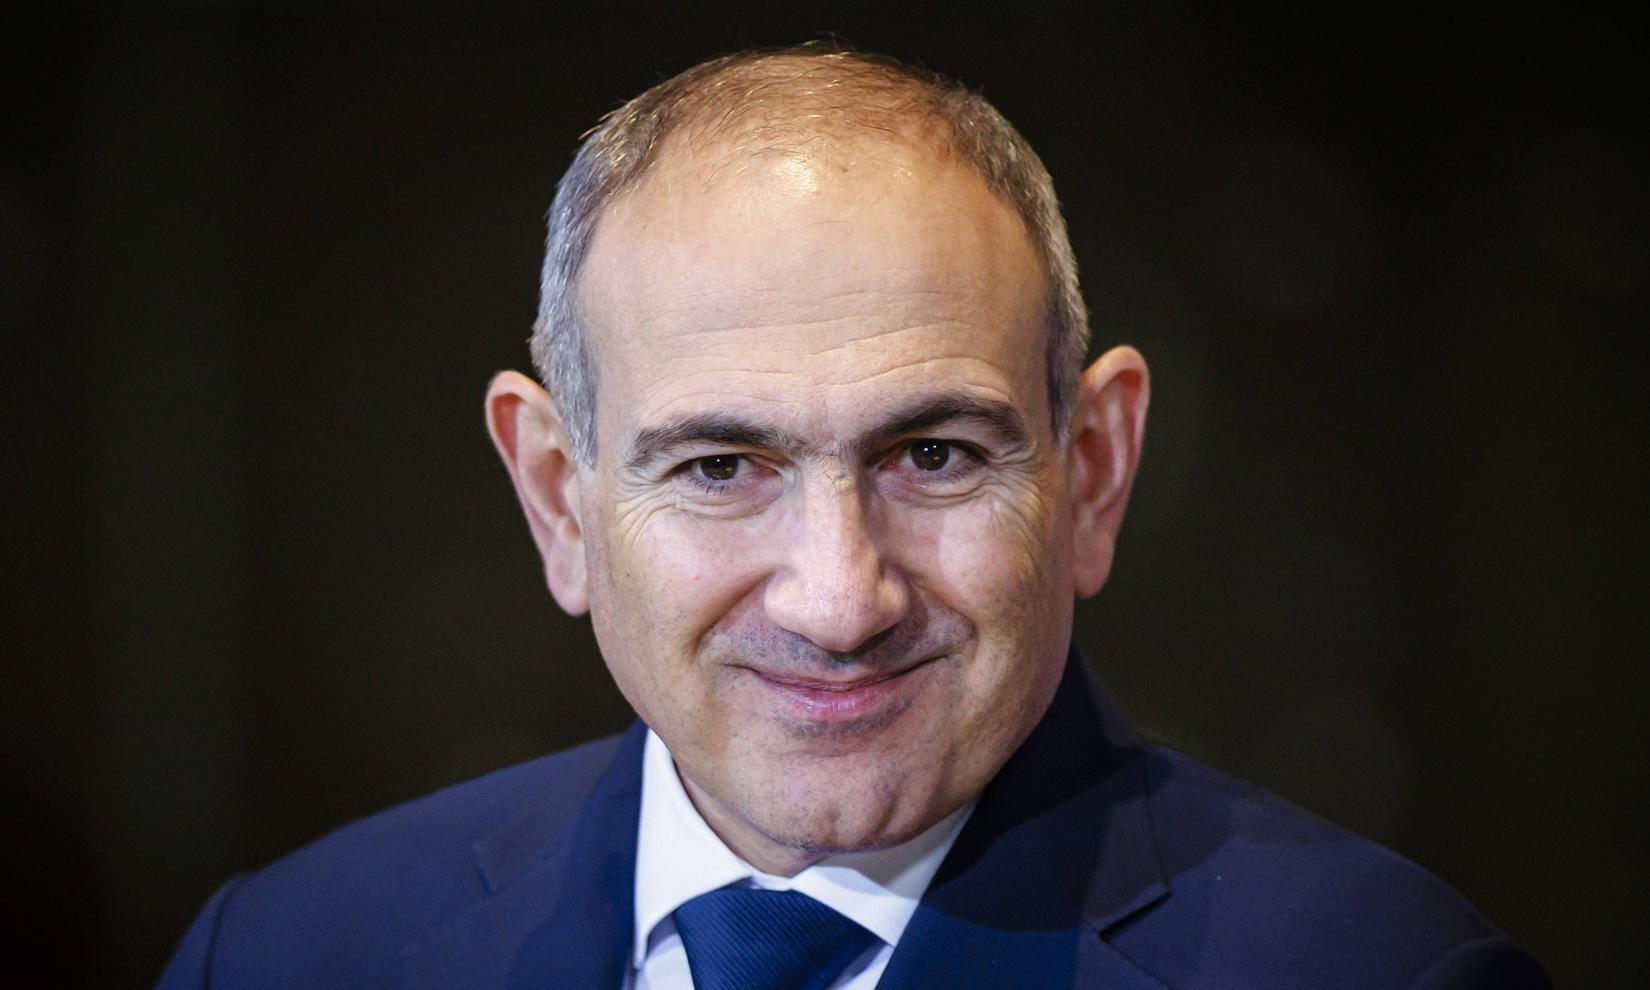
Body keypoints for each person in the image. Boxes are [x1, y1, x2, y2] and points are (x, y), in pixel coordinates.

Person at [157, 46, 1550, 989]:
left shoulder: (1379, 970)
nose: (838, 600)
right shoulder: (286, 953)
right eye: (720, 468)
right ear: (556, 499)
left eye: (933, 455)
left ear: (1093, 472)